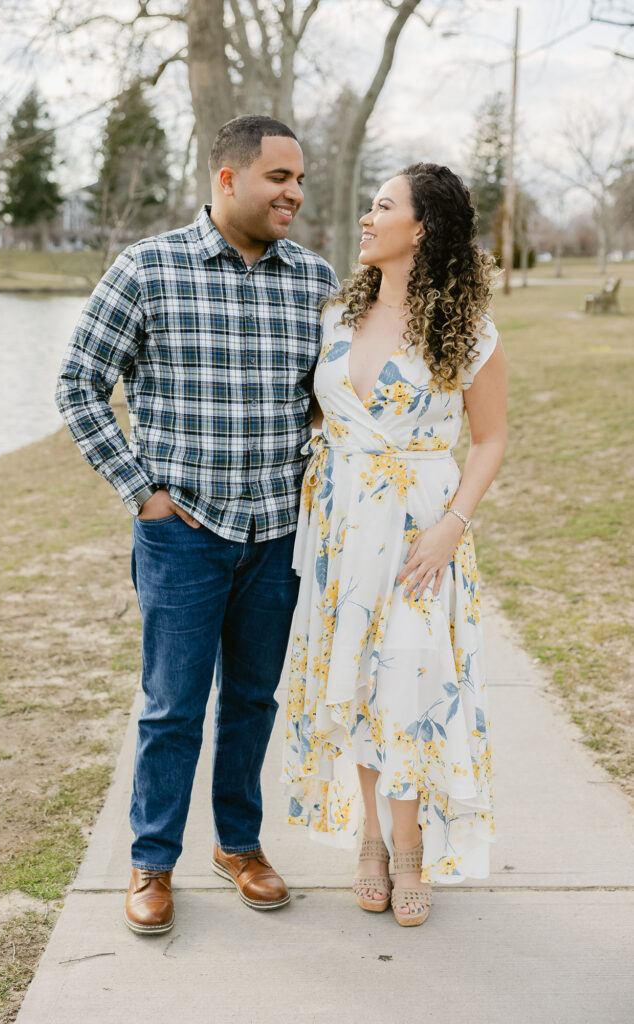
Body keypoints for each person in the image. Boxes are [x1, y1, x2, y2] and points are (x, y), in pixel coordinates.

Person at [56, 114, 338, 934]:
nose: (294, 193)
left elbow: (329, 399)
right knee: (172, 706)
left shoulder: (315, 280)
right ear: (227, 179)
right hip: (183, 533)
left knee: (252, 700)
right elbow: (78, 384)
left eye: (299, 179)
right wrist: (140, 490)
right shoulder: (148, 267)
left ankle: (239, 845)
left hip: (277, 534)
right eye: (279, 177)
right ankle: (152, 862)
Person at [282, 162, 507, 926]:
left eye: (383, 206)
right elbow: (327, 412)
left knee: (407, 682)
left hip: (420, 535)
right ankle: (371, 840)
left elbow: (491, 439)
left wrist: (452, 526)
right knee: (356, 680)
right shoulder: (336, 316)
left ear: (422, 228)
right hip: (342, 531)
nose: (367, 218)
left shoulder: (469, 333)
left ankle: (410, 846)